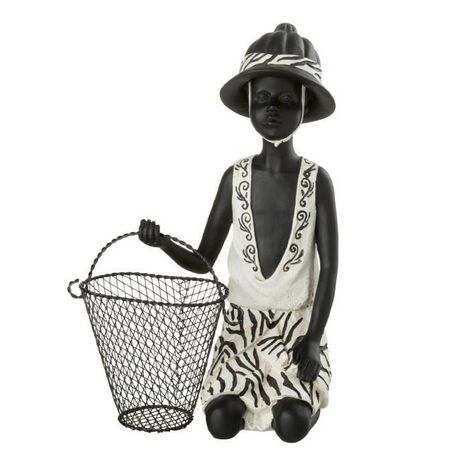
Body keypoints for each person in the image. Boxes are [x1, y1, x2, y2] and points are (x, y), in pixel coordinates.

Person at [138, 23, 338, 443]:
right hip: (240, 326)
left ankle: (298, 402)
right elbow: (203, 260)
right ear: (248, 104)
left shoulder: (317, 181)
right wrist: (164, 243)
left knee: (291, 424)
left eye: (285, 100)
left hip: (295, 328)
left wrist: (313, 338)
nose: (272, 110)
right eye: (262, 99)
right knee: (219, 422)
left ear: (304, 105)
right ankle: (247, 392)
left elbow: (331, 266)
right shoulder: (236, 177)